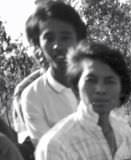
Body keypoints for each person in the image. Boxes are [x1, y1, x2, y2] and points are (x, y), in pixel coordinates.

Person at [18, 1, 87, 147]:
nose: (57, 46)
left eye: (65, 37)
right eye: (49, 38)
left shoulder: (101, 82)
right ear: (38, 44)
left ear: (79, 40)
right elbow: (48, 152)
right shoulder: (32, 96)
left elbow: (118, 137)